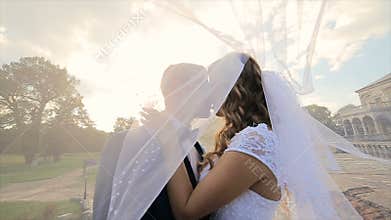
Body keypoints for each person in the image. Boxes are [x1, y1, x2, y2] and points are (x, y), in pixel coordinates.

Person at [93, 63, 208, 220]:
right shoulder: (122, 142)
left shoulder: (198, 147)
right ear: (180, 91)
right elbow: (104, 208)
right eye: (204, 86)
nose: (211, 94)